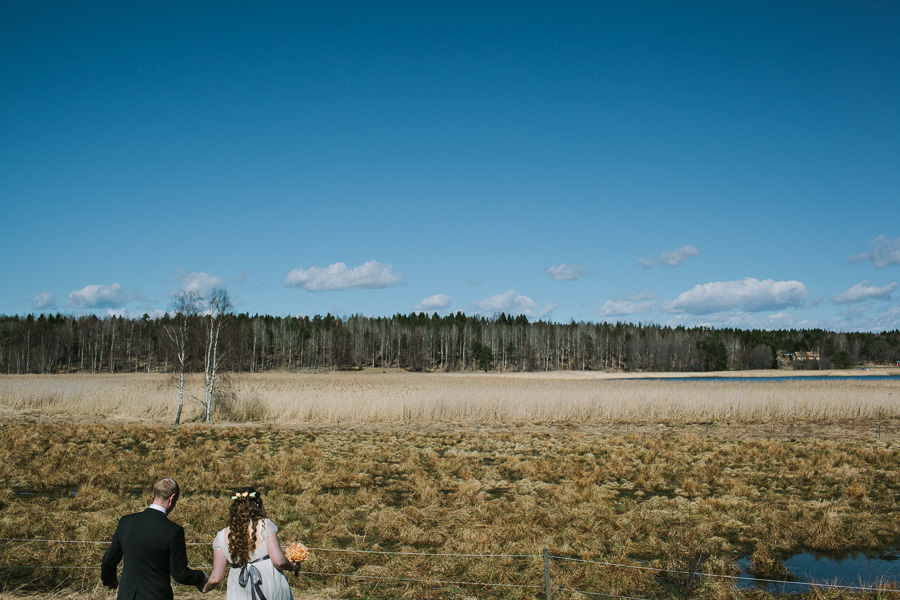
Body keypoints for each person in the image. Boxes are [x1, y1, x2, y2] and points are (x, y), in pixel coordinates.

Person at [101, 477, 208, 599]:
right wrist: (202, 576)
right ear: (172, 498)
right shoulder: (173, 531)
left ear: (153, 494)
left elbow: (109, 560)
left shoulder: (126, 522)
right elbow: (180, 575)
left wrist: (109, 579)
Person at [203, 486, 299, 599]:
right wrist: (292, 566)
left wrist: (205, 588)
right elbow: (279, 561)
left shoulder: (221, 536)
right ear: (257, 505)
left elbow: (216, 578)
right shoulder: (265, 526)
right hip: (269, 585)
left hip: (239, 590)